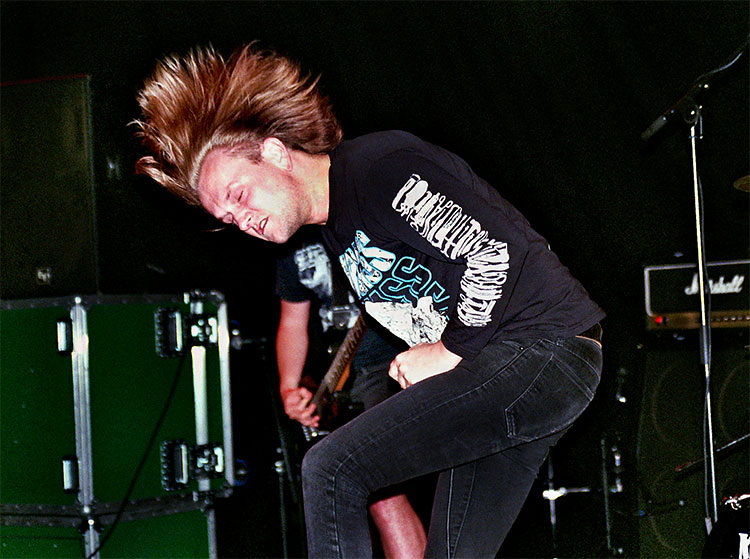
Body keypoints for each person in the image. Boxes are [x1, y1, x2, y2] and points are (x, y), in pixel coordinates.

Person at [133, 44, 605, 558]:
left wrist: (449, 349)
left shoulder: (377, 168)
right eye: (228, 219)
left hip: (540, 350)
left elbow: (492, 251)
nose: (242, 220)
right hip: (522, 370)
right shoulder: (335, 229)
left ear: (274, 153)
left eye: (240, 195)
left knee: (331, 469)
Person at [275, 233, 426, 558]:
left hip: (389, 364)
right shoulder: (292, 243)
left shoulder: (365, 221)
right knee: (350, 495)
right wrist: (289, 388)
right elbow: (292, 323)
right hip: (340, 378)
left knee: (382, 491)